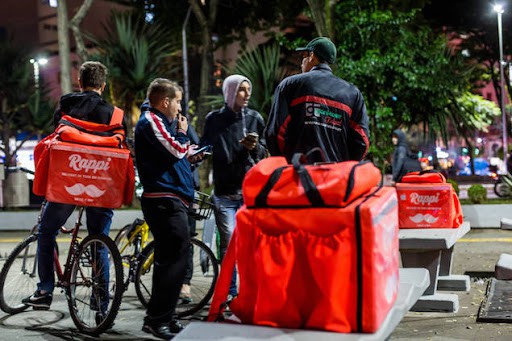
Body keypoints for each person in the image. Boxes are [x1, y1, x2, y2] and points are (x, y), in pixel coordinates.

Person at [22, 61, 123, 319]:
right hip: (100, 185)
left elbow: (56, 134)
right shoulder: (114, 114)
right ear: (103, 85)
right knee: (99, 241)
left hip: (68, 183)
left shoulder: (68, 103)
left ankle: (44, 290)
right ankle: (101, 308)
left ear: (80, 82)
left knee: (46, 232)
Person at [134, 78, 203, 339]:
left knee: (174, 259)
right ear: (165, 101)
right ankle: (156, 319)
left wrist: (192, 151)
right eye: (177, 101)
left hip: (174, 198)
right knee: (173, 258)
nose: (179, 107)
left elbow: (178, 153)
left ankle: (165, 315)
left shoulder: (163, 123)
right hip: (163, 199)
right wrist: (183, 134)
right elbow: (175, 149)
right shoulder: (151, 121)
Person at [200, 74, 266, 299]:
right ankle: (230, 294)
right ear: (230, 92)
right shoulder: (214, 119)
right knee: (229, 247)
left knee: (251, 246)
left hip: (250, 194)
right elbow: (204, 148)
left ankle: (250, 294)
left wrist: (255, 147)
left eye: (248, 89)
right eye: (241, 90)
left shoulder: (255, 118)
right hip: (225, 194)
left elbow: (265, 154)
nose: (247, 94)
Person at [265, 36, 369, 162]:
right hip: (335, 176)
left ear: (312, 55)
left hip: (299, 175)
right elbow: (361, 141)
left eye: (304, 56)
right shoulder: (352, 93)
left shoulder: (291, 85)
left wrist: (286, 162)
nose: (302, 62)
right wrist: (344, 166)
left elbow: (275, 133)